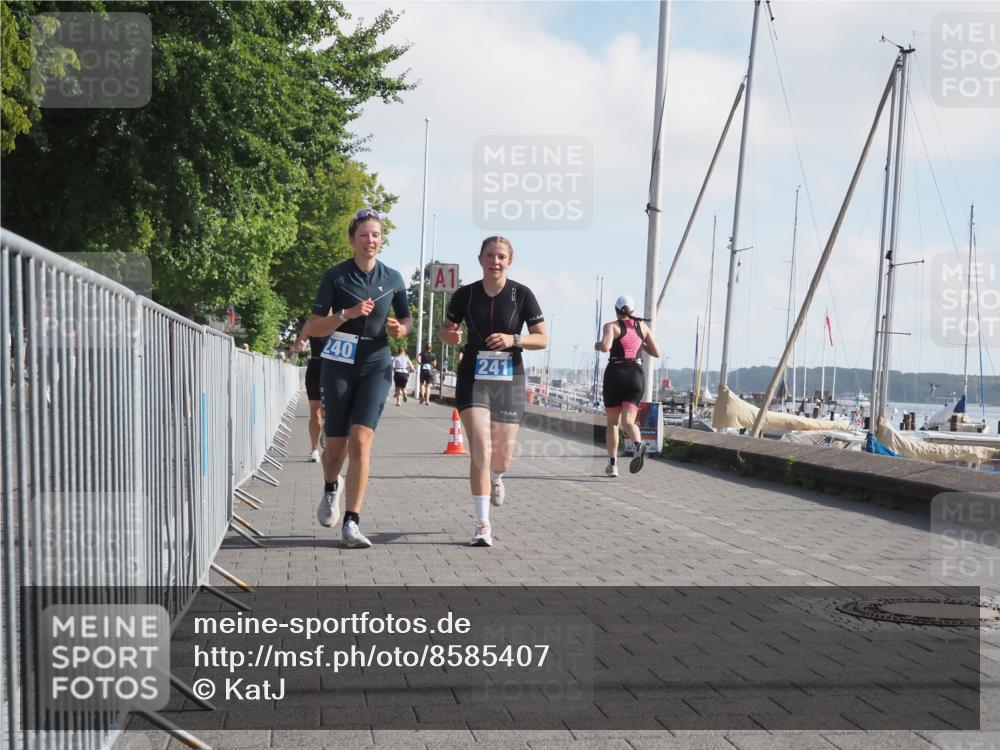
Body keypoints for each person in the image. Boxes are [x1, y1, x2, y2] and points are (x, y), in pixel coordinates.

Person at [298, 208, 411, 548]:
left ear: (381, 240)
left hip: (376, 360)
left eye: (376, 234)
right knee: (335, 451)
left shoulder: (393, 278)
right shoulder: (336, 276)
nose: (370, 240)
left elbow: (406, 321)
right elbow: (313, 326)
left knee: (361, 441)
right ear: (352, 239)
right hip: (339, 362)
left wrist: (399, 328)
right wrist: (345, 314)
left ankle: (351, 522)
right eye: (364, 234)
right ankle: (331, 487)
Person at [440, 236, 547, 547]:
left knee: (501, 458)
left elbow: (542, 338)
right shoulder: (465, 294)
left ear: (509, 261)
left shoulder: (522, 294)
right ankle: (482, 523)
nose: (495, 261)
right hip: (474, 376)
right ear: (480, 259)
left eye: (501, 256)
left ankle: (497, 478)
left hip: (509, 377)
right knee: (481, 451)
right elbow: (446, 333)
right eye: (490, 255)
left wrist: (514, 340)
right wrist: (451, 335)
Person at [595, 294, 661, 477]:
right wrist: (640, 343)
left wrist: (598, 345)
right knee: (629, 421)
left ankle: (613, 465)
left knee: (613, 424)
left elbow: (607, 347)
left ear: (616, 310)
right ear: (632, 311)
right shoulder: (643, 328)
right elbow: (657, 352)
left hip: (616, 374)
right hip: (636, 375)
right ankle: (638, 443)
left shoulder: (612, 326)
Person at [292, 331, 330, 462]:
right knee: (315, 413)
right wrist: (298, 345)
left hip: (333, 370)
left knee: (328, 414)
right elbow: (296, 345)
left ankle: (328, 430)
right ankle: (314, 450)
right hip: (315, 370)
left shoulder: (343, 322)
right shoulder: (314, 323)